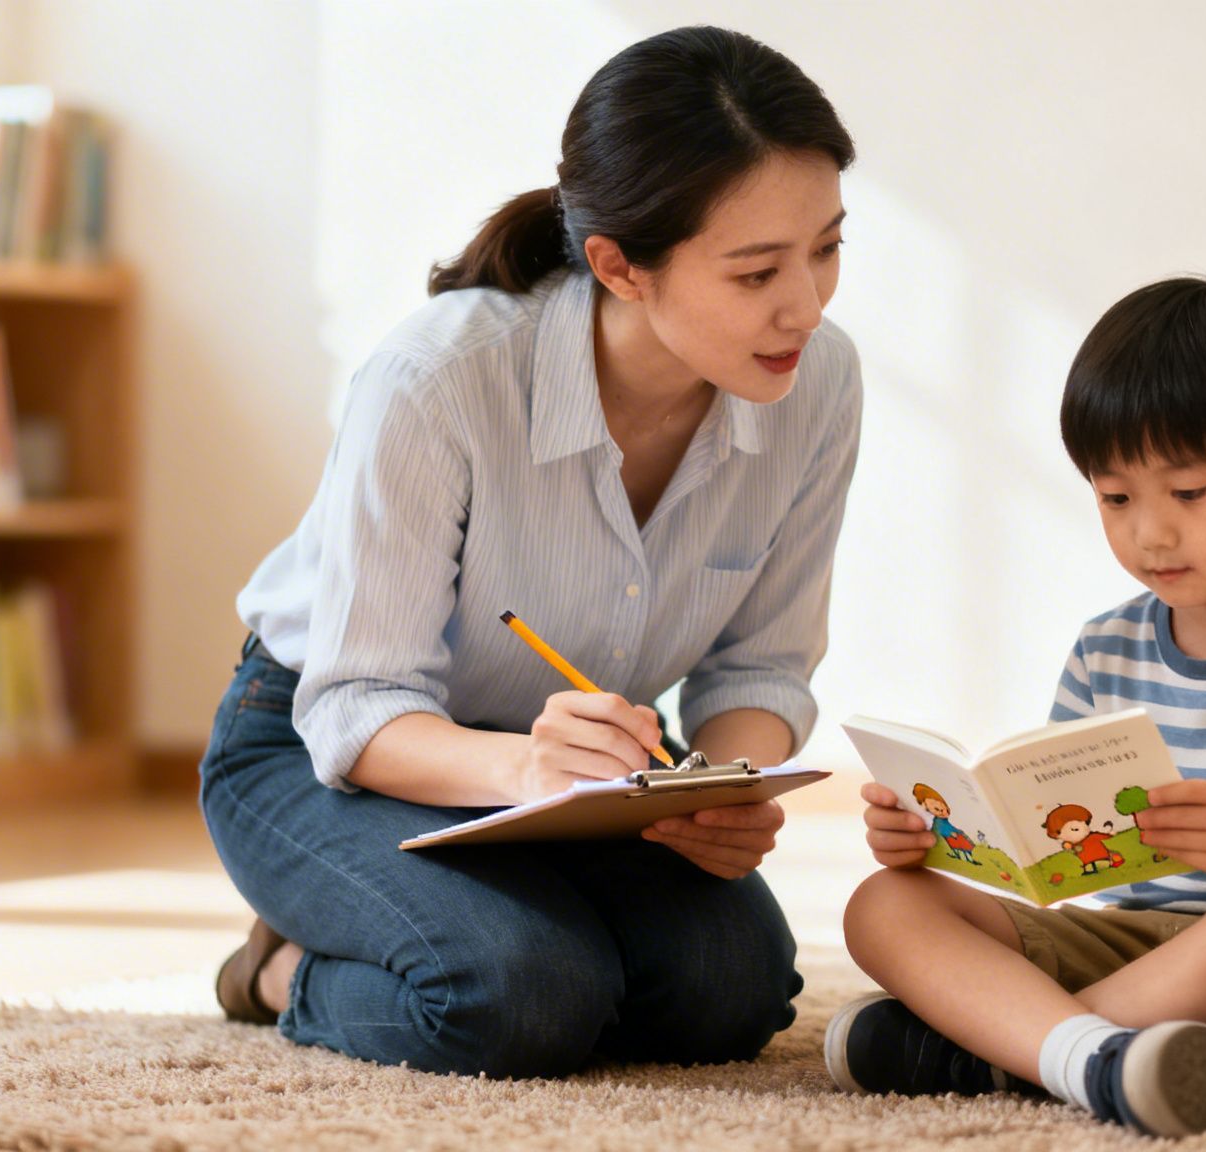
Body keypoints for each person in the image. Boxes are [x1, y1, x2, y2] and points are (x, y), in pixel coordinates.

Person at [201, 25, 861, 1079]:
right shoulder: (438, 380)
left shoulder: (817, 384)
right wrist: (523, 768)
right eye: (754, 272)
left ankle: (496, 919)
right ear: (617, 265)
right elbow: (355, 704)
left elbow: (757, 667)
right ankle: (278, 970)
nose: (806, 304)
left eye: (826, 247)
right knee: (519, 996)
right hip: (325, 751)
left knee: (727, 994)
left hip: (584, 779)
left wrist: (731, 787)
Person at [825, 277, 1206, 1137]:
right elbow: (1058, 857)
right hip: (1148, 950)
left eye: (1188, 494)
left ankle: (1013, 1051)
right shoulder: (1105, 647)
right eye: (1116, 498)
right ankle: (1110, 1057)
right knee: (883, 904)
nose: (1148, 533)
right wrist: (945, 842)